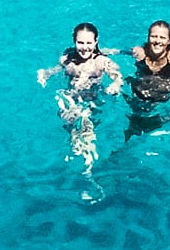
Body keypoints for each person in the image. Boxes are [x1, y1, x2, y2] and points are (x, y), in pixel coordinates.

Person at [37, 22, 122, 172]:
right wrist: (44, 74)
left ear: (96, 42)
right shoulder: (67, 58)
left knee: (85, 126)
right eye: (80, 42)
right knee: (70, 123)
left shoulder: (100, 61)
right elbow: (56, 69)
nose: (84, 47)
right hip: (70, 98)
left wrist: (115, 85)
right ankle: (80, 155)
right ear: (74, 42)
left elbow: (117, 76)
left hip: (92, 101)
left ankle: (88, 161)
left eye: (89, 43)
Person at [115, 20, 170, 140]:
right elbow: (115, 51)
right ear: (148, 38)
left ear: (169, 41)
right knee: (133, 130)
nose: (157, 41)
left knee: (152, 128)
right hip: (138, 96)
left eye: (162, 37)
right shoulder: (140, 53)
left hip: (160, 101)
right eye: (154, 36)